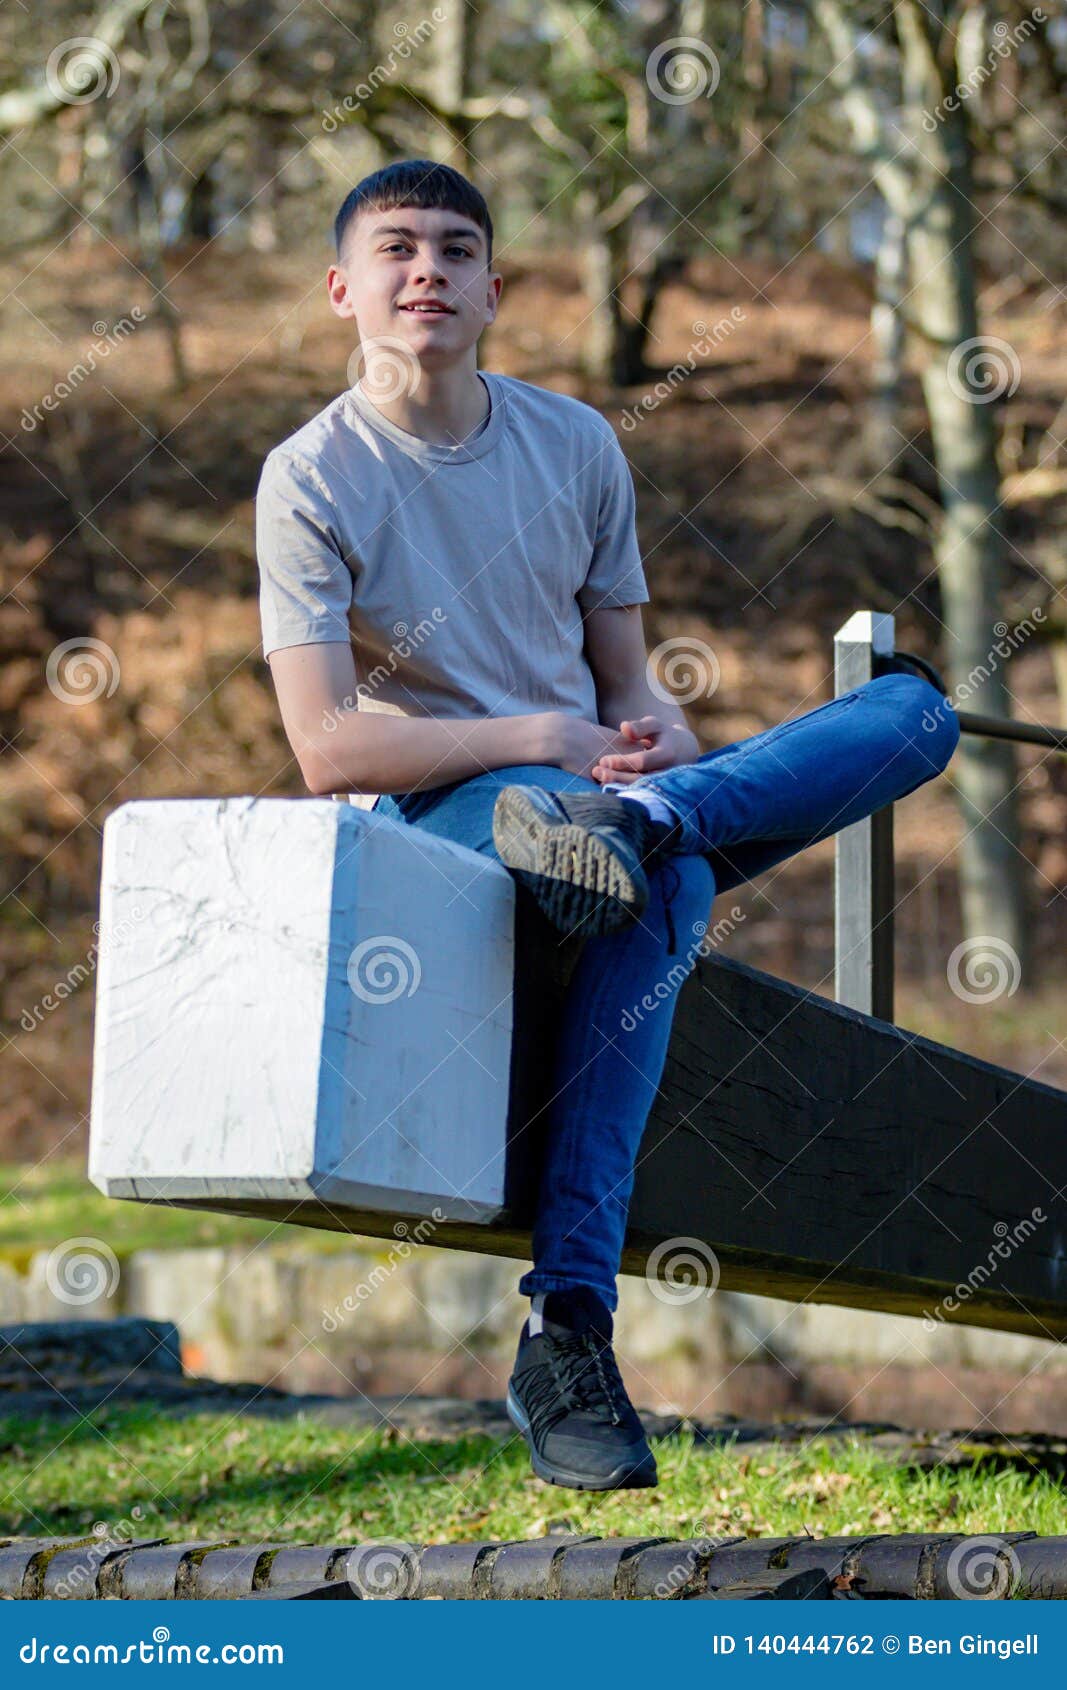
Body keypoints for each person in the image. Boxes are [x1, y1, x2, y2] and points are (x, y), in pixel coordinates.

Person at [255, 157, 961, 1494]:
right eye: (397, 249)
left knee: (917, 714)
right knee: (668, 884)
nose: (428, 272)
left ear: (494, 289)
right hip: (439, 824)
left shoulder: (574, 442)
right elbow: (328, 745)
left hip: (597, 801)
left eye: (458, 250)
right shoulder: (310, 476)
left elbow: (631, 686)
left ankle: (650, 825)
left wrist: (653, 751)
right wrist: (540, 737)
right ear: (342, 288)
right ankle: (568, 1322)